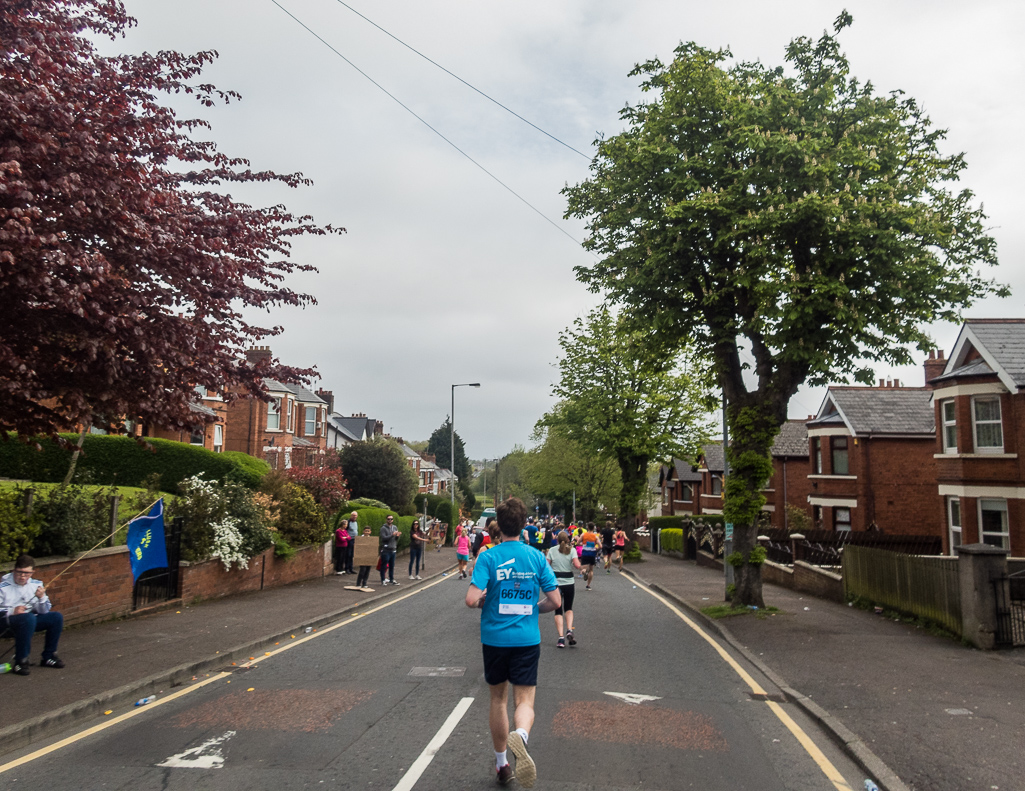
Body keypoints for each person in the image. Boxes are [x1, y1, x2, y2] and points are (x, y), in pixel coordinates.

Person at [465, 498, 560, 788]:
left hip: (494, 639)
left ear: (497, 528)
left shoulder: (488, 557)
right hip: (526, 639)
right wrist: (534, 608)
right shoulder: (536, 557)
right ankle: (522, 734)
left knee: (498, 699)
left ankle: (502, 763)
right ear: (523, 525)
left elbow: (470, 599)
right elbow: (555, 601)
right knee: (525, 699)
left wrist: (485, 601)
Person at [0, 555, 65, 675]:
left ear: (32, 572)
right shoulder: (3, 587)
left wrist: (42, 598)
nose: (23, 576)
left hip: (28, 621)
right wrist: (12, 611)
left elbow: (44, 611)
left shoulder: (36, 585)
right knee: (28, 618)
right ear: (14, 570)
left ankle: (49, 657)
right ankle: (21, 661)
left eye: (27, 573)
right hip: (5, 622)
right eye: (19, 573)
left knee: (56, 617)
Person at [546, 531, 581, 648]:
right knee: (568, 608)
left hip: (556, 583)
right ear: (567, 540)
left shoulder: (552, 550)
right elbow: (577, 565)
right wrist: (583, 567)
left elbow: (547, 566)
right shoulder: (572, 550)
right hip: (569, 582)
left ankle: (561, 638)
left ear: (556, 539)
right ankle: (569, 630)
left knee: (558, 610)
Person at [352, 526, 377, 591]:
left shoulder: (371, 539)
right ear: (363, 531)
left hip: (369, 557)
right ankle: (358, 583)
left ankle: (364, 583)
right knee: (362, 571)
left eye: (368, 531)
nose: (367, 532)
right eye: (366, 531)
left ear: (370, 532)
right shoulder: (361, 538)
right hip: (362, 557)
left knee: (367, 571)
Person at [378, 515, 401, 586]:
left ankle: (391, 579)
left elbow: (396, 539)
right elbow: (383, 538)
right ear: (386, 520)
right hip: (386, 550)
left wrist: (397, 536)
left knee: (392, 565)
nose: (390, 520)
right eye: (388, 519)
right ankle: (383, 580)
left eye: (391, 519)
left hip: (393, 549)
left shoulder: (395, 527)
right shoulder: (383, 528)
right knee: (384, 565)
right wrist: (392, 535)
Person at [579, 522, 599, 590]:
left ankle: (584, 572)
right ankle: (588, 585)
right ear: (593, 528)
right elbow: (600, 545)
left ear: (587, 527)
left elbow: (578, 542)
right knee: (591, 570)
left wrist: (583, 544)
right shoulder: (595, 536)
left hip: (585, 553)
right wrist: (596, 547)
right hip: (592, 554)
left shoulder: (583, 535)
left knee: (584, 568)